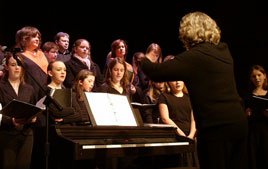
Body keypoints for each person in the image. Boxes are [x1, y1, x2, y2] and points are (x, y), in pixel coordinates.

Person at [140, 11, 248, 169]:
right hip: (238, 124)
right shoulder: (224, 51)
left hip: (215, 129)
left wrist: (145, 58)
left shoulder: (192, 57)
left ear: (187, 33)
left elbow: (155, 72)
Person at [0, 52, 36, 169]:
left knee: (24, 165)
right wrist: (12, 121)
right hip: (7, 134)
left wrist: (34, 116)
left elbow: (33, 107)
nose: (17, 68)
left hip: (26, 133)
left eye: (19, 65)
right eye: (13, 65)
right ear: (6, 67)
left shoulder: (29, 88)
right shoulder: (1, 87)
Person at [243, 65, 268, 169]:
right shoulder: (247, 96)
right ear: (250, 78)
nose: (257, 78)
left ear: (264, 76)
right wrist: (246, 113)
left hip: (267, 132)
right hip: (253, 133)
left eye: (259, 75)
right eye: (254, 76)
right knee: (254, 159)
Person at [15, 26, 49, 100]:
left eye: (38, 37)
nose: (37, 39)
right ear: (25, 39)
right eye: (34, 37)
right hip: (33, 93)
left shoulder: (42, 54)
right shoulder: (19, 57)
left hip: (47, 91)